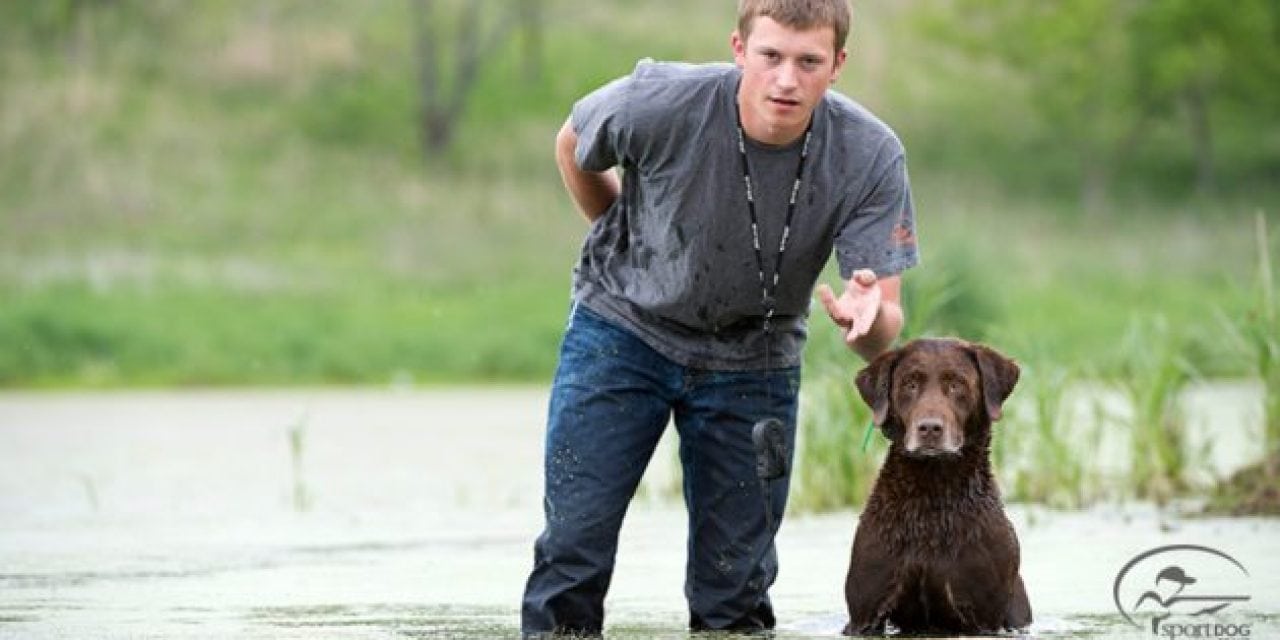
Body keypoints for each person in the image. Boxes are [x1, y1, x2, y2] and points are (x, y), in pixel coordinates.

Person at [520, 0, 918, 635]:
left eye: (808, 62)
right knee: (574, 550)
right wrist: (623, 232)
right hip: (621, 334)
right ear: (739, 49)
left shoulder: (869, 154)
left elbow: (883, 321)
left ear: (837, 64)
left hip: (757, 360)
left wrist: (867, 322)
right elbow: (573, 143)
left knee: (735, 589)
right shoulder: (658, 101)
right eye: (771, 56)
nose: (786, 79)